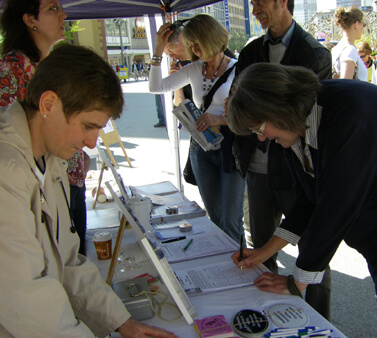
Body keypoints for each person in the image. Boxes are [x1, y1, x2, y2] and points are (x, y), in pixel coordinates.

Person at [228, 63, 377, 338]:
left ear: (277, 108)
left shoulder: (351, 114)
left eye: (259, 127)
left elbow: (335, 208)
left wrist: (297, 281)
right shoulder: (296, 124)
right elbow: (308, 199)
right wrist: (265, 251)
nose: (262, 137)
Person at [0, 44, 176, 337]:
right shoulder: (7, 173)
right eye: (87, 126)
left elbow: (67, 261)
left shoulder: (51, 159)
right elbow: (26, 299)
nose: (93, 143)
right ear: (48, 105)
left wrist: (121, 322)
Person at [232, 0, 332, 320]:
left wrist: (298, 280)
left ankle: (316, 318)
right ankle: (275, 315)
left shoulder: (314, 54)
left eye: (259, 1)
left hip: (294, 169)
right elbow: (241, 103)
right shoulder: (250, 52)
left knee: (313, 252)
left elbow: (332, 214)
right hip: (259, 171)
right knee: (264, 244)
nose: (254, 9)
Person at [0, 0, 91, 255]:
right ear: (30, 20)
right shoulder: (13, 68)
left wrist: (77, 154)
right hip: (41, 195)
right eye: (52, 8)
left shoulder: (47, 66)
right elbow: (10, 139)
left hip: (69, 182)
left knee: (75, 262)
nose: (63, 14)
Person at [149, 14, 245, 244]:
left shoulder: (238, 69)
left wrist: (219, 120)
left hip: (230, 151)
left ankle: (239, 267)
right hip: (200, 151)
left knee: (231, 221)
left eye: (197, 43)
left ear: (211, 38)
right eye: (190, 44)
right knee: (215, 217)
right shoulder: (194, 69)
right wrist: (158, 48)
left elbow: (249, 117)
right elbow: (156, 87)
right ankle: (222, 269)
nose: (194, 49)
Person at [331, 6, 367, 80]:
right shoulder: (350, 50)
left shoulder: (336, 49)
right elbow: (346, 84)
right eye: (363, 24)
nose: (363, 28)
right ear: (356, 24)